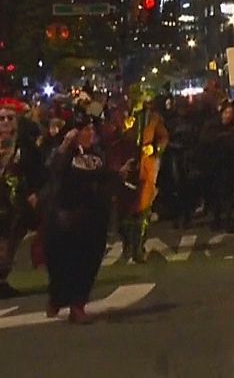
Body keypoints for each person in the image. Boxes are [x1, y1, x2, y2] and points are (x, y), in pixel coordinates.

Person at [44, 114, 134, 323]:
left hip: (92, 217)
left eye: (92, 130)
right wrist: (66, 144)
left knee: (88, 263)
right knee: (62, 263)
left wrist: (120, 174)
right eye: (85, 130)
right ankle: (57, 297)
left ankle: (78, 306)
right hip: (65, 216)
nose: (90, 133)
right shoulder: (64, 154)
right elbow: (53, 170)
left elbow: (103, 177)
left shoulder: (96, 155)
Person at [0, 97, 43, 299]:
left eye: (10, 118)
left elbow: (37, 171)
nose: (6, 122)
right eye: (2, 119)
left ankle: (2, 279)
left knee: (10, 245)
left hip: (15, 205)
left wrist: (34, 192)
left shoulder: (24, 146)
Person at [121, 97, 169, 264]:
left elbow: (163, 138)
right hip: (125, 165)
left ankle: (138, 248)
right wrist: (124, 128)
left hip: (145, 167)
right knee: (125, 212)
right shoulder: (123, 117)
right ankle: (128, 244)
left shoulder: (153, 119)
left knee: (143, 209)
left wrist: (154, 149)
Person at [200, 102, 234, 231]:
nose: (228, 116)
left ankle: (228, 220)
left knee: (228, 193)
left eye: (231, 113)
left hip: (229, 163)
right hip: (214, 163)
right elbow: (206, 140)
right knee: (216, 193)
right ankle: (216, 219)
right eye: (226, 113)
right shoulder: (213, 126)